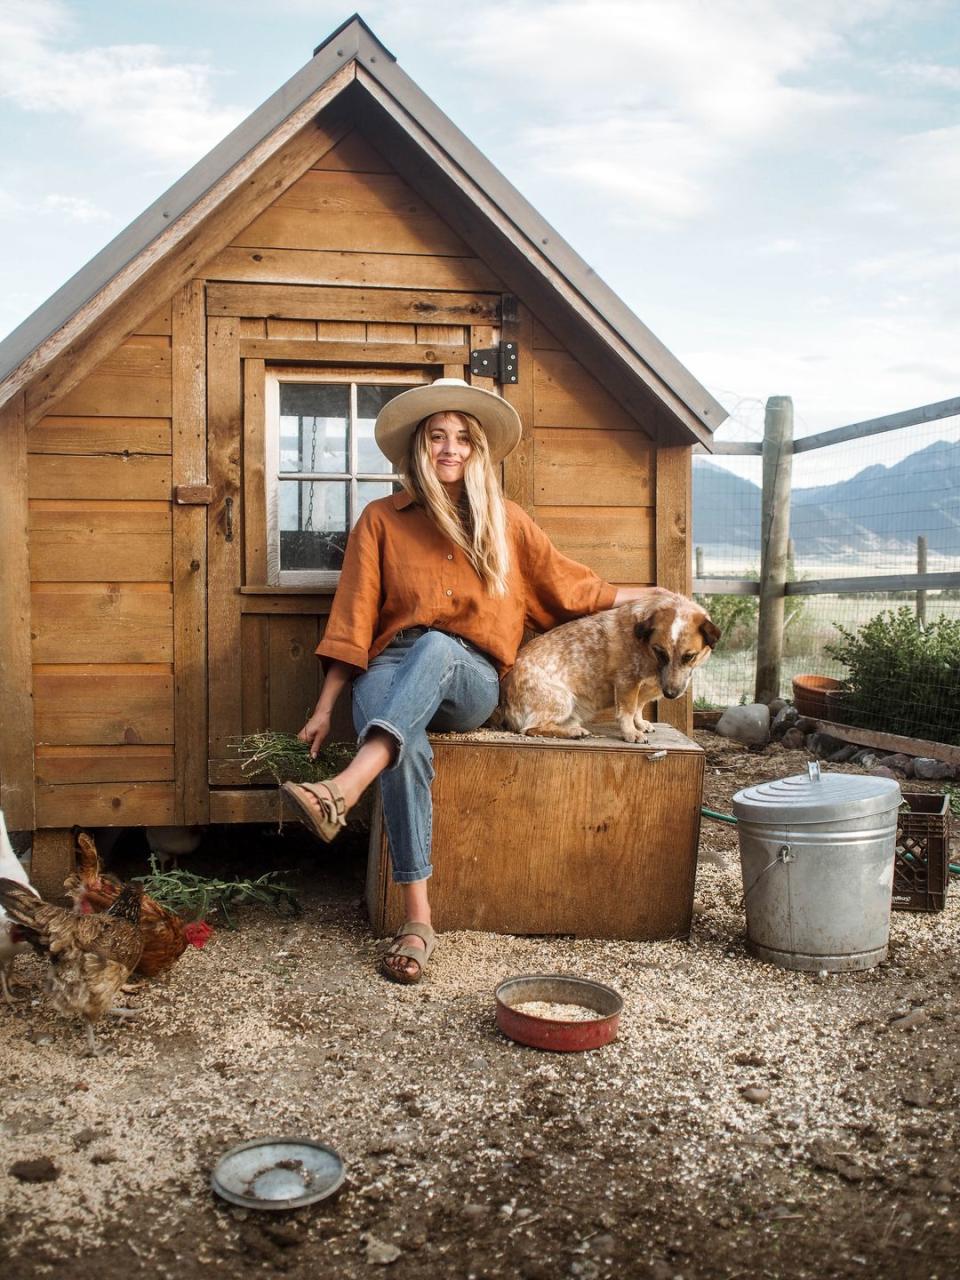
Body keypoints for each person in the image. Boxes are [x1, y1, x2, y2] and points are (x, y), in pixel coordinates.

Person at [282, 378, 648, 984]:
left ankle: (342, 790)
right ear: (418, 450)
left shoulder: (506, 522)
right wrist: (325, 708)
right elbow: (352, 620)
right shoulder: (380, 520)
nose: (449, 449)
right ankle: (419, 920)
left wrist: (653, 593)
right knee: (405, 747)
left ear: (478, 451)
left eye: (462, 440)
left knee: (437, 645)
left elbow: (571, 588)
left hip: (470, 678)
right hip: (388, 670)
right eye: (436, 438)